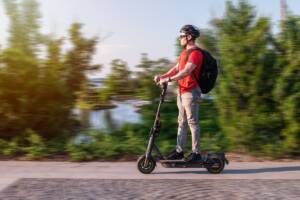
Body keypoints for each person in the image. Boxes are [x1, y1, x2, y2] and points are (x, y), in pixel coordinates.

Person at [154, 24, 203, 162]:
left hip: (190, 93)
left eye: (181, 36)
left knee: (193, 123)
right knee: (181, 122)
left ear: (189, 37)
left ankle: (196, 153)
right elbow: (176, 69)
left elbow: (186, 71)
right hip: (181, 93)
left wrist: (169, 79)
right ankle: (179, 151)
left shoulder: (196, 53)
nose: (179, 38)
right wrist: (162, 77)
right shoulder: (183, 54)